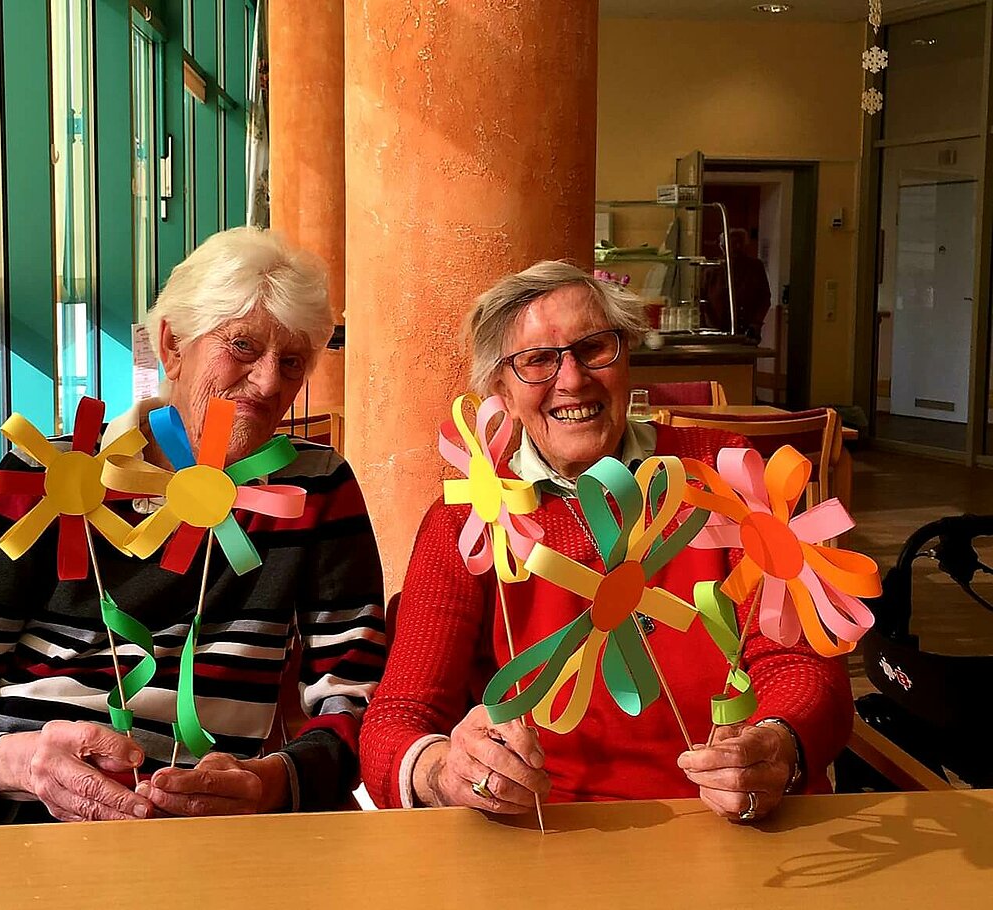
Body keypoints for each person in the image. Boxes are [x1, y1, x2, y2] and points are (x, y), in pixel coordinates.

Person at [0, 228, 386, 827]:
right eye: (242, 346)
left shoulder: (314, 490)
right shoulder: (50, 476)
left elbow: (362, 708)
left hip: (195, 832)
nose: (272, 383)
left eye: (292, 361)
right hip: (5, 813)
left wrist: (271, 782)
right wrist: (23, 763)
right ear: (172, 346)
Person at [359, 261, 852, 822]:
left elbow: (803, 663)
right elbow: (396, 718)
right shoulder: (467, 522)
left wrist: (778, 743)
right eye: (537, 361)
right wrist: (443, 771)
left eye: (594, 348)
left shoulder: (721, 470)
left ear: (627, 358)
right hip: (557, 832)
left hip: (742, 824)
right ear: (500, 385)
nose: (571, 380)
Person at [703, 229, 771, 340]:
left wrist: (756, 323)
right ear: (722, 247)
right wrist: (709, 325)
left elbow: (765, 298)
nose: (737, 247)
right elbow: (703, 300)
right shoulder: (712, 270)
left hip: (747, 329)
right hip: (717, 330)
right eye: (732, 244)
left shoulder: (755, 267)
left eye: (740, 243)